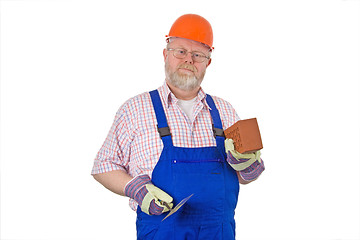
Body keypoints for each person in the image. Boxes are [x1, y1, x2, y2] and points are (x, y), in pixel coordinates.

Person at [91, 13, 265, 240]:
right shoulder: (134, 110)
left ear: (208, 62)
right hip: (161, 232)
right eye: (180, 51)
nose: (188, 60)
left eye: (198, 54)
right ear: (165, 54)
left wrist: (248, 166)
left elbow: (244, 176)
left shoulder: (225, 111)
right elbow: (103, 165)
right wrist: (134, 187)